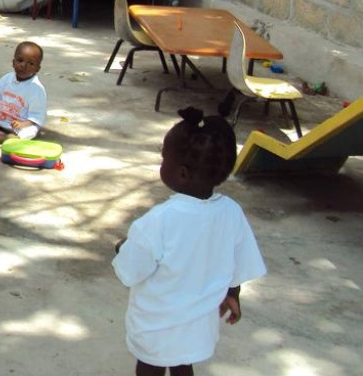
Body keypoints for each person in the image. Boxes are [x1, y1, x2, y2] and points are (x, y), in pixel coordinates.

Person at [112, 108, 267, 376]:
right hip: (199, 326)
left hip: (157, 325)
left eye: (164, 157)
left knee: (150, 366)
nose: (162, 162)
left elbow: (130, 271)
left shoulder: (157, 221)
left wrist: (123, 247)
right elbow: (240, 260)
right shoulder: (231, 211)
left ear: (181, 173)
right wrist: (233, 294)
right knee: (184, 363)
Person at [0, 41, 47, 147]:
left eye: (31, 63)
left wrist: (23, 124)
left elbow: (36, 116)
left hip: (21, 124)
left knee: (30, 132)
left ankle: (6, 138)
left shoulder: (36, 89)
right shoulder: (6, 79)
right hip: (2, 118)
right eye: (20, 60)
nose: (23, 66)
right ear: (13, 62)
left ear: (37, 68)